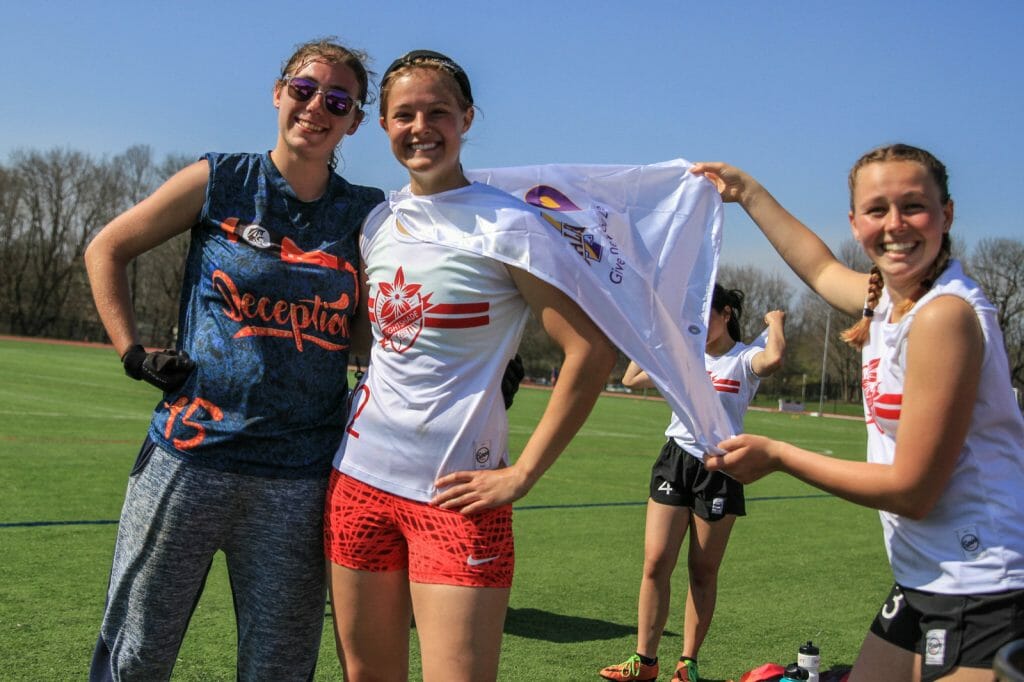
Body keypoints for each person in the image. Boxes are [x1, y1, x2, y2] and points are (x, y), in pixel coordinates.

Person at [84, 39, 385, 680]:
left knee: (278, 665)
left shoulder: (367, 214)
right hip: (190, 457)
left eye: (338, 100)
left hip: (299, 477)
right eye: (303, 90)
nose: (316, 108)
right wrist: (133, 353)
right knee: (138, 650)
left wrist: (473, 353)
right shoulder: (222, 178)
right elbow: (106, 248)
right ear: (279, 93)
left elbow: (369, 334)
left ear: (356, 120)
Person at [323, 50, 619, 682]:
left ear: (467, 119)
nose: (421, 126)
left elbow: (591, 351)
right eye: (404, 114)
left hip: (458, 499)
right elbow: (375, 343)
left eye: (438, 112)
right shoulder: (378, 221)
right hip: (357, 483)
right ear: (383, 125)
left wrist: (525, 475)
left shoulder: (508, 223)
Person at [691, 144, 1024, 681]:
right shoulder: (886, 299)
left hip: (983, 583)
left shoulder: (945, 316)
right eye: (876, 210)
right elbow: (819, 267)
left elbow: (913, 492)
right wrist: (745, 192)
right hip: (923, 576)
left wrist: (779, 456)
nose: (895, 225)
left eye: (913, 206)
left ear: (947, 214)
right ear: (855, 221)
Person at [600, 286, 786, 682]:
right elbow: (632, 377)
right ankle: (644, 661)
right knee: (655, 563)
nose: (700, 326)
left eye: (707, 317)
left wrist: (776, 323)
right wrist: (660, 335)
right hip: (675, 461)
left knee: (702, 571)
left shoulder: (743, 358)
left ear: (726, 315)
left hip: (721, 468)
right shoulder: (685, 356)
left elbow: (773, 359)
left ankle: (687, 665)